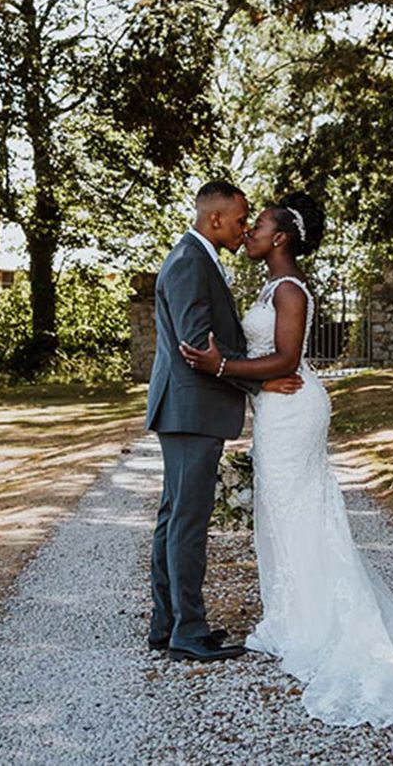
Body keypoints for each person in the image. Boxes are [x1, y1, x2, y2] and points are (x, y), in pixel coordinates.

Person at [179, 191, 393, 726]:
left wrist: (222, 368)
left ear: (281, 237)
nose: (250, 232)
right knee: (281, 510)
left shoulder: (290, 288)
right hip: (275, 405)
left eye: (258, 225)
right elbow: (268, 360)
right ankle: (289, 617)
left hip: (293, 407)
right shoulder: (270, 285)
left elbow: (287, 359)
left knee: (299, 510)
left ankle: (315, 627)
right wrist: (246, 371)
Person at [145, 180, 303, 663]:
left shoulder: (194, 257)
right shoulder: (192, 262)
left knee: (174, 517)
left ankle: (168, 623)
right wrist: (257, 382)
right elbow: (198, 347)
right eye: (240, 220)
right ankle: (187, 631)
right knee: (187, 521)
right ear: (215, 219)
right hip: (191, 409)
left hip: (186, 409)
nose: (243, 228)